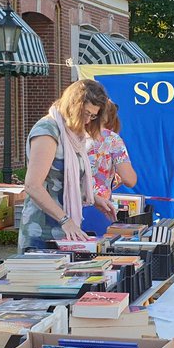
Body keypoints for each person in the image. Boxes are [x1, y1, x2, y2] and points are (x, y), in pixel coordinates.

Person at [19, 79, 117, 251]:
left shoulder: (71, 134)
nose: (88, 121)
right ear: (73, 106)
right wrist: (65, 220)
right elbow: (32, 185)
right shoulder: (47, 131)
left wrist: (93, 198)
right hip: (43, 233)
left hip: (66, 231)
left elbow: (69, 181)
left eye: (93, 116)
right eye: (85, 113)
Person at [82, 101, 138, 235]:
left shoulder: (74, 134)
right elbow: (129, 180)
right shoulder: (112, 139)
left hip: (69, 206)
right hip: (99, 208)